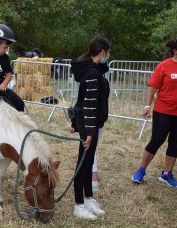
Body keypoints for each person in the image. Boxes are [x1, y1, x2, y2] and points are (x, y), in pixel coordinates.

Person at [132, 37, 177, 187]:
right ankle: (141, 169)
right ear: (175, 50)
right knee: (157, 140)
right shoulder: (164, 66)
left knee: (175, 142)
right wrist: (147, 106)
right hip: (164, 111)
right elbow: (152, 87)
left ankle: (167, 174)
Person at [70, 36, 111, 220]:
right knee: (83, 165)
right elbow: (89, 105)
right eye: (108, 53)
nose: (108, 56)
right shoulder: (92, 73)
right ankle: (79, 206)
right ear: (102, 52)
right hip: (89, 126)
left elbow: (82, 99)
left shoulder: (94, 70)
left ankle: (88, 199)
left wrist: (75, 123)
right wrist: (89, 132)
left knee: (88, 163)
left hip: (90, 124)